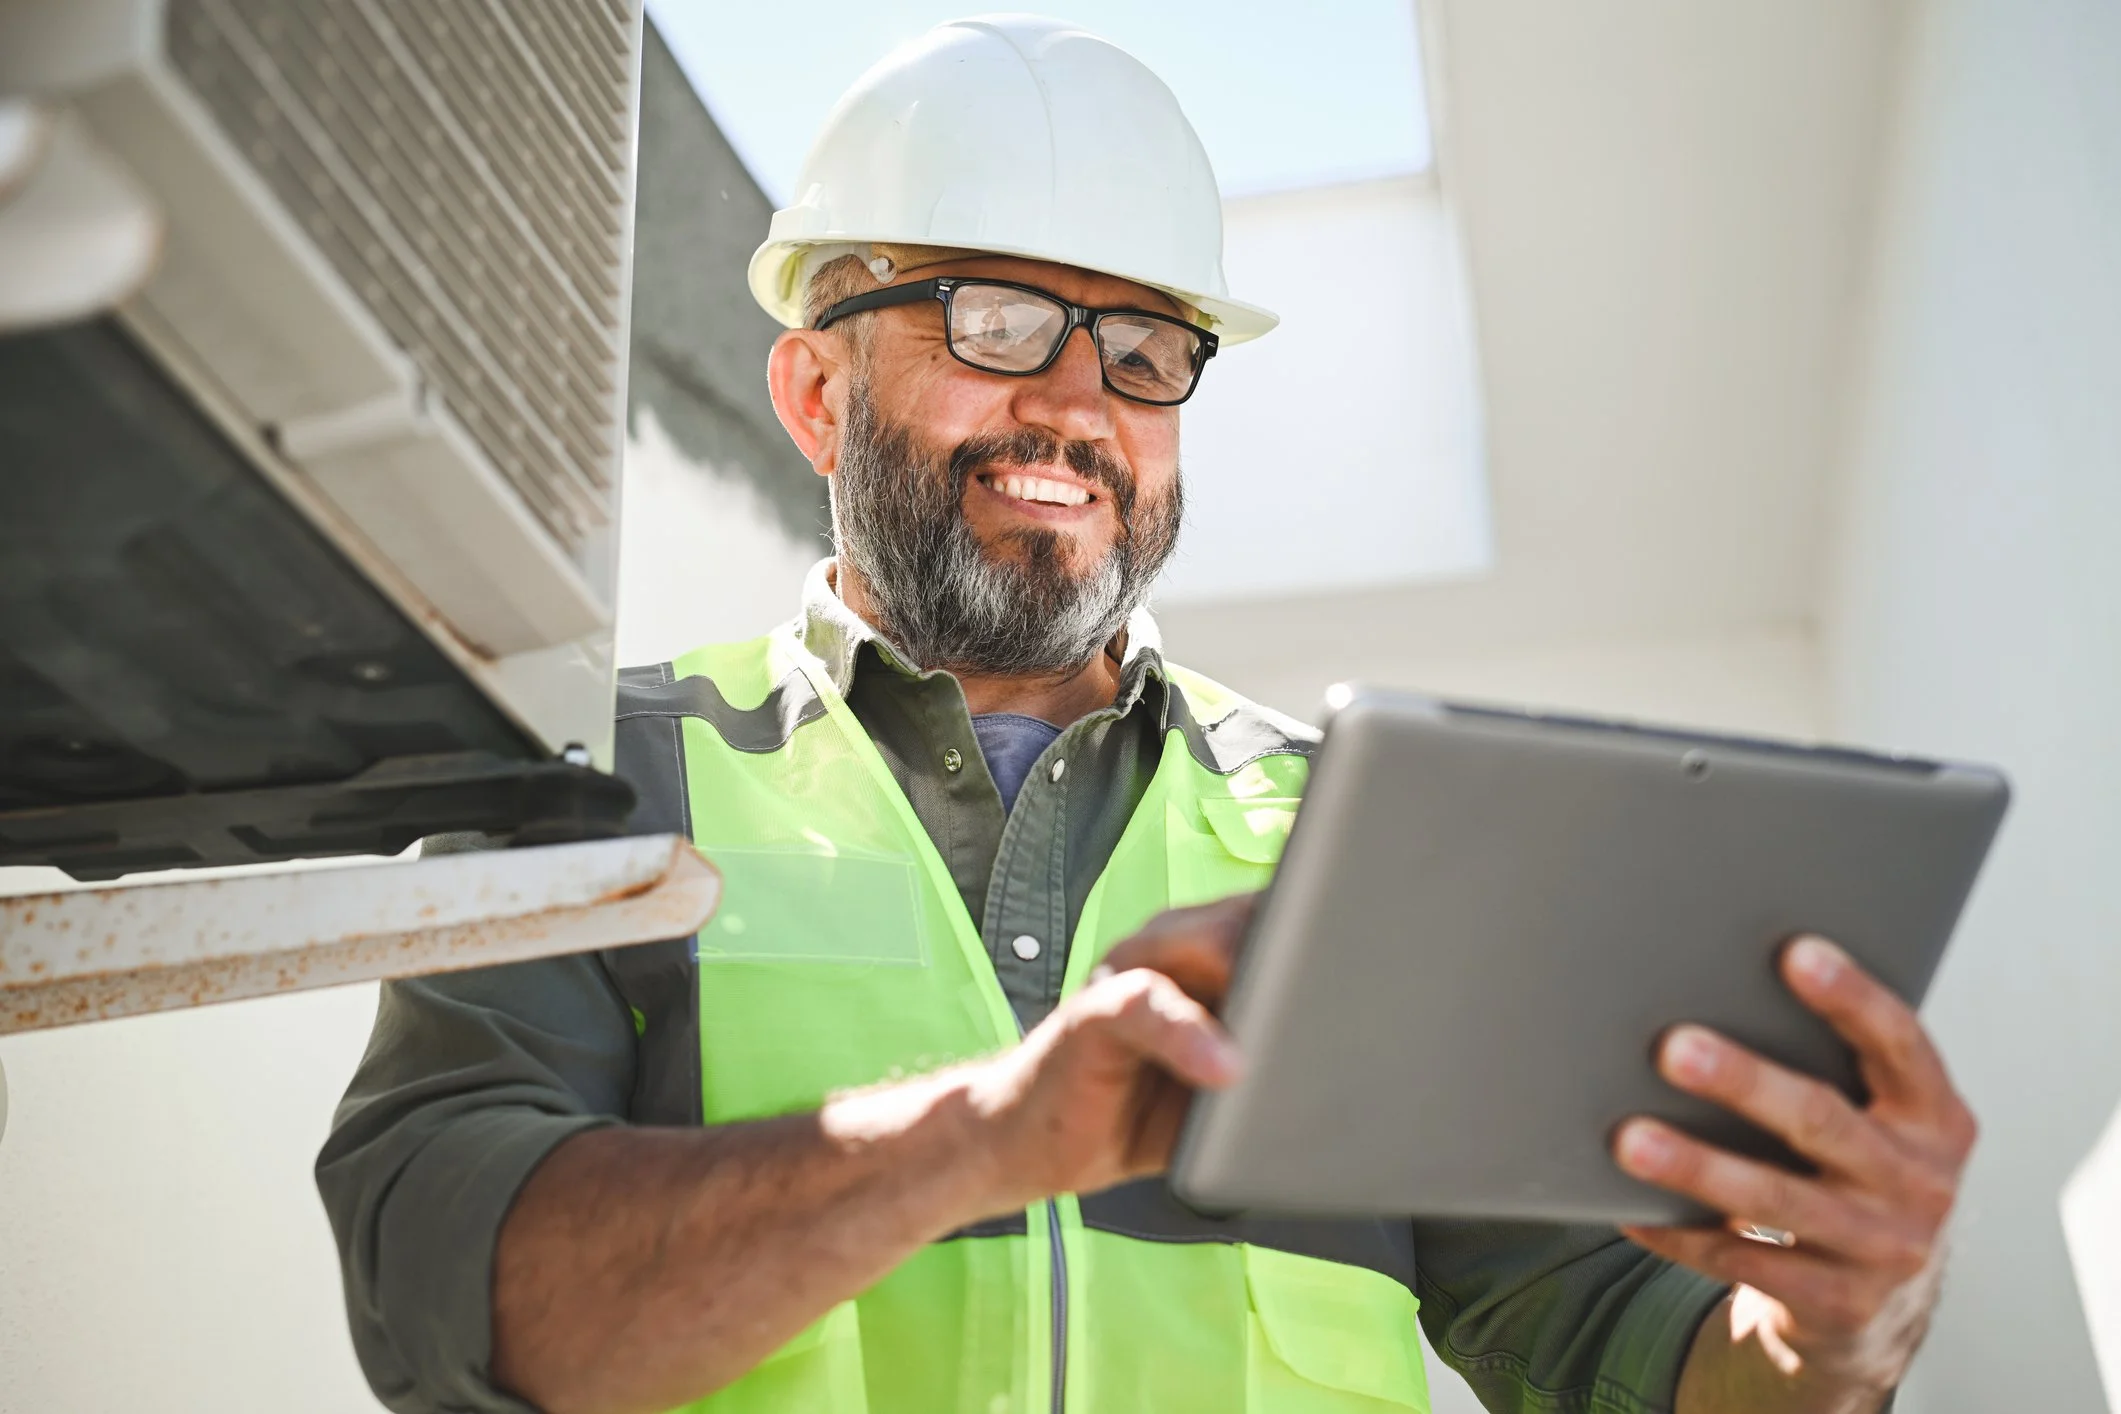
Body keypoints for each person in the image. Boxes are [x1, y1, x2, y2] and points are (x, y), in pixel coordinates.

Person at [318, 17, 1976, 1414]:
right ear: (817, 391)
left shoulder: (1354, 840)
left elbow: (1619, 1342)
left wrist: (1838, 1324)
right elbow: (444, 1290)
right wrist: (978, 1139)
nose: (1071, 401)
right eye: (993, 321)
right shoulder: (589, 777)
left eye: (1142, 350)